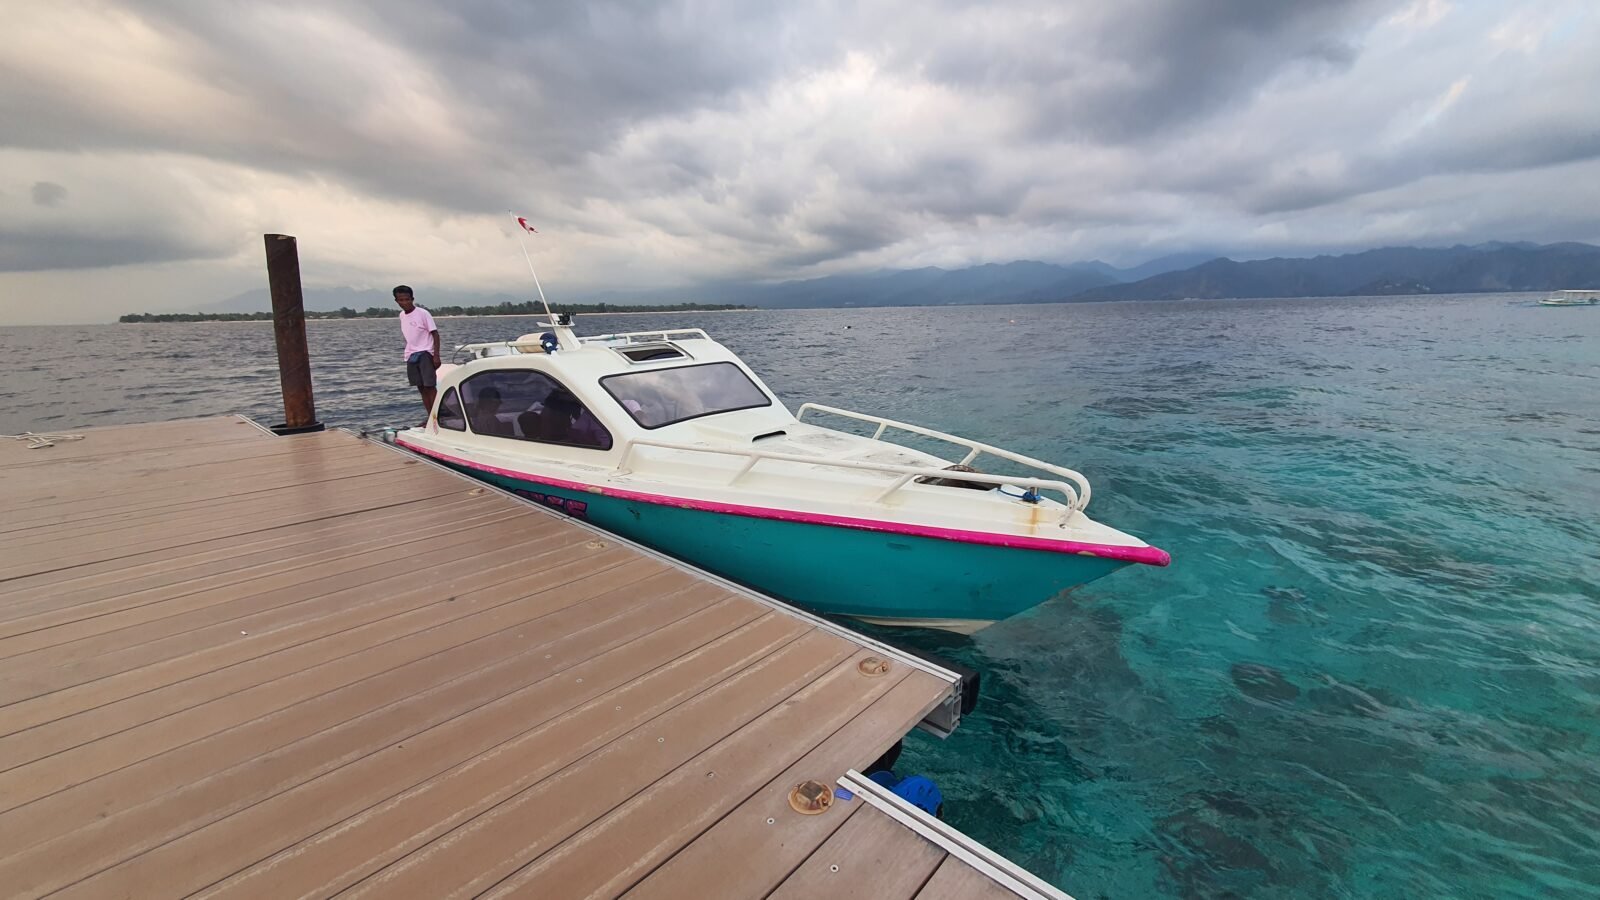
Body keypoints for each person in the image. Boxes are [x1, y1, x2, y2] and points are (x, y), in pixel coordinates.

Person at [394, 285, 440, 421]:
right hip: (411, 355)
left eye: (407, 299)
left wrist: (436, 355)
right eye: (401, 300)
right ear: (396, 301)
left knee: (430, 387)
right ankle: (430, 417)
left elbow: (435, 334)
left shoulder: (423, 313)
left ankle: (439, 416)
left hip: (425, 353)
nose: (404, 303)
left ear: (412, 299)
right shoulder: (402, 315)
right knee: (421, 388)